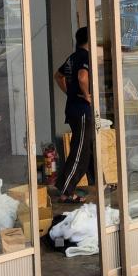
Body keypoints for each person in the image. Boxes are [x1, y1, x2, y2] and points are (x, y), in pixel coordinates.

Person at [53, 26, 95, 203]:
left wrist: (69, 93)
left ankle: (95, 182)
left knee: (86, 150)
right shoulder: (85, 56)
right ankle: (66, 192)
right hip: (81, 110)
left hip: (72, 108)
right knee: (79, 152)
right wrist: (86, 95)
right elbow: (82, 77)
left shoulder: (72, 57)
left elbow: (58, 76)